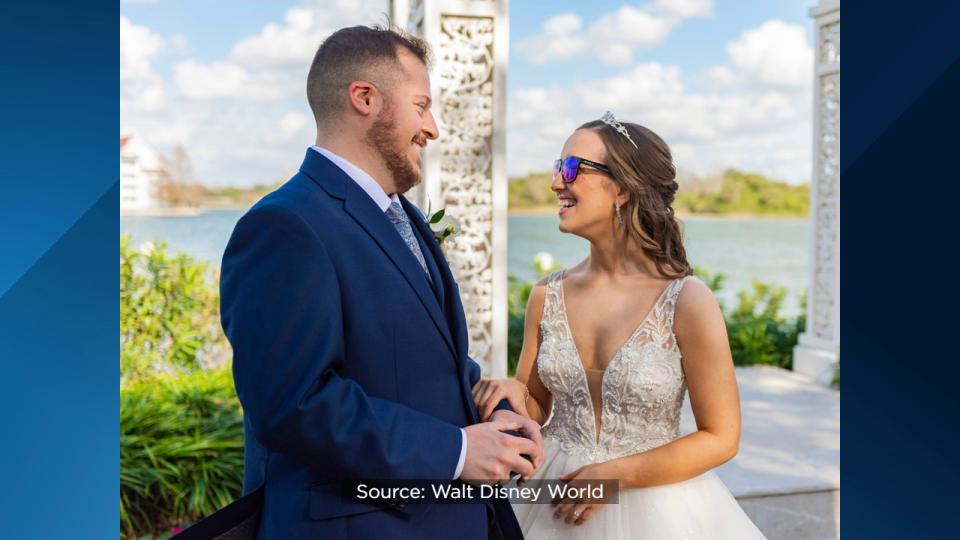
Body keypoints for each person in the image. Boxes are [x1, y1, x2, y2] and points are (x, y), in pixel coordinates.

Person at [220, 25, 543, 540]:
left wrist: (492, 402)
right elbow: (294, 404)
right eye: (421, 106)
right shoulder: (285, 226)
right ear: (365, 99)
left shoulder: (403, 217)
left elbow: (417, 360)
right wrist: (457, 452)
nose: (432, 128)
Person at [473, 112, 767, 538]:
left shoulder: (686, 300)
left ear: (624, 189)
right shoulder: (546, 294)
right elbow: (536, 406)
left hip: (658, 508)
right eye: (556, 168)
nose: (557, 182)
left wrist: (615, 475)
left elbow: (721, 436)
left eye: (571, 168)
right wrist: (513, 392)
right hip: (548, 498)